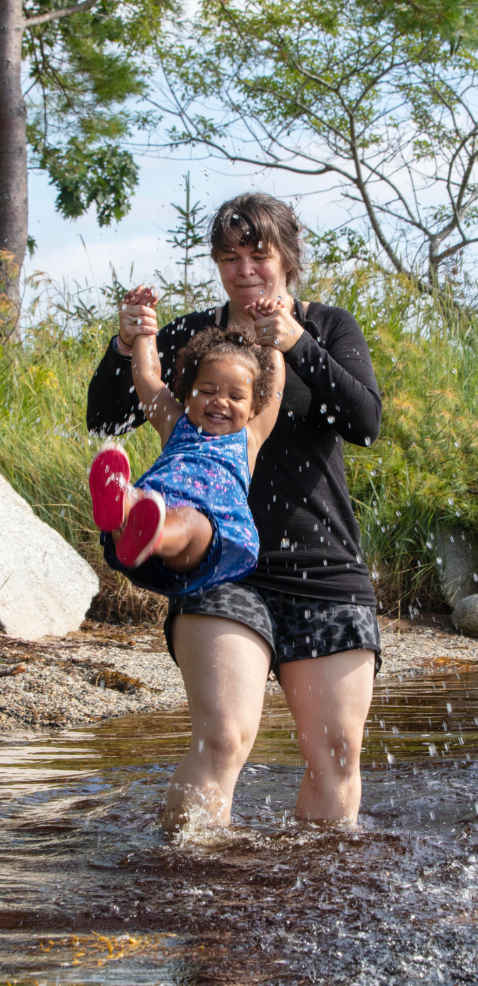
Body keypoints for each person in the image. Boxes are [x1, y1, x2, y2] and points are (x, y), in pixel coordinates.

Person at [87, 192, 382, 828]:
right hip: (222, 571)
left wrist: (297, 342)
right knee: (222, 740)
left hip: (323, 571)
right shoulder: (196, 335)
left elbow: (365, 422)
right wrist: (126, 341)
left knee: (336, 754)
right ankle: (187, 893)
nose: (244, 270)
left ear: (287, 258)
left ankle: (316, 906)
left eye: (258, 255)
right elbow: (108, 413)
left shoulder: (329, 327)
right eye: (229, 258)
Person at [89, 322, 284, 597]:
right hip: (143, 530)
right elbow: (147, 375)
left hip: (207, 542)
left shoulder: (249, 437)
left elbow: (276, 388)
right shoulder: (175, 422)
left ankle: (149, 534)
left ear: (254, 406)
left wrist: (274, 343)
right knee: (138, 498)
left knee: (188, 520)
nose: (220, 401)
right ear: (187, 392)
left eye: (236, 396)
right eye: (207, 391)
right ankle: (120, 505)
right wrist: (144, 330)